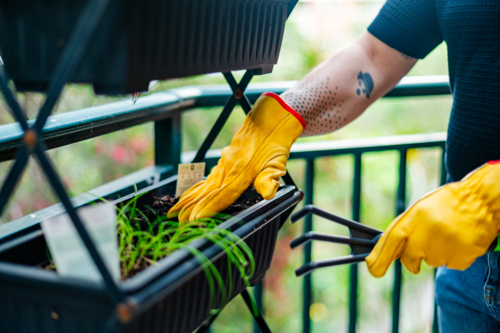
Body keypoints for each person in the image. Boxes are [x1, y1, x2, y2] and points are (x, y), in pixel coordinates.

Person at [168, 0, 500, 331]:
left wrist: (491, 195)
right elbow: (373, 56)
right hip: (466, 263)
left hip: (475, 218)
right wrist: (287, 113)